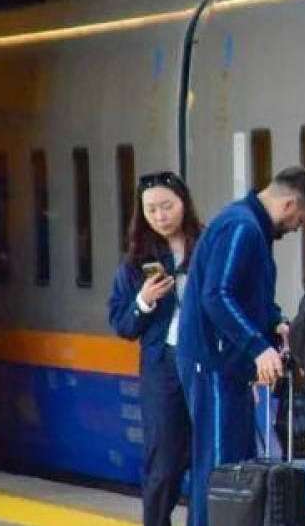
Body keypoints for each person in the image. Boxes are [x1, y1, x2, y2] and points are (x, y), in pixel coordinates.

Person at [175, 166, 305, 526]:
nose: (296, 228)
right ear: (289, 205)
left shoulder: (249, 227)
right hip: (213, 365)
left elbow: (247, 295)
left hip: (225, 365)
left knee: (233, 466)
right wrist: (258, 347)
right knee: (220, 469)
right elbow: (218, 296)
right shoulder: (242, 228)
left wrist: (276, 323)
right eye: (300, 221)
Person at [108, 171, 202, 526]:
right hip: (162, 367)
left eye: (167, 206)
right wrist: (143, 302)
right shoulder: (136, 260)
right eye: (151, 210)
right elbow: (122, 324)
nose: (161, 216)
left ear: (184, 204)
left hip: (204, 363)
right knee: (162, 461)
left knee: (206, 457)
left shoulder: (207, 245)